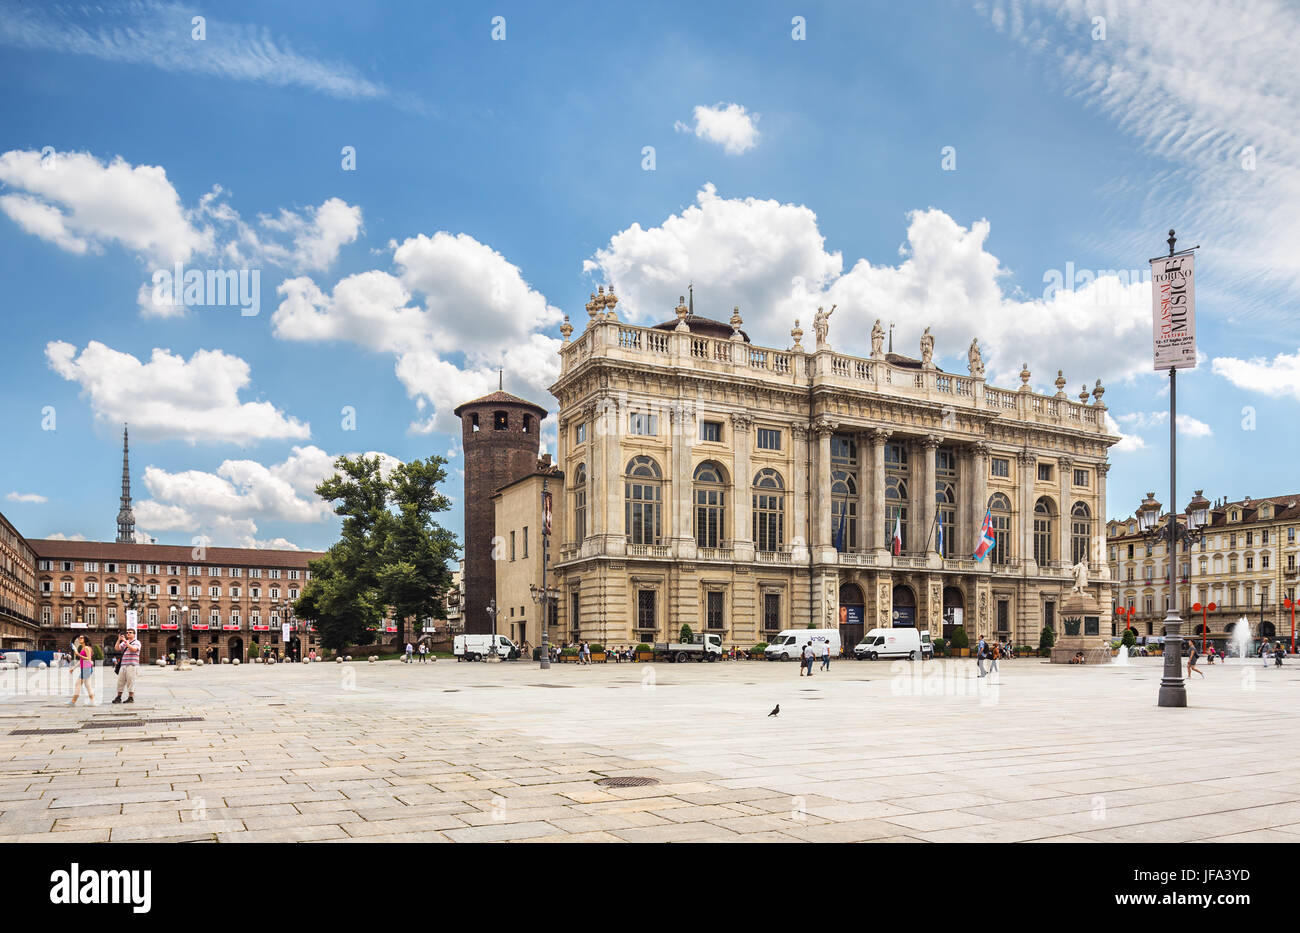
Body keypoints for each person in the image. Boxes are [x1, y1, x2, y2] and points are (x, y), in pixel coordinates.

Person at [112, 628, 141, 704]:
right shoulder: (125, 642)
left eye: (130, 632)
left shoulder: (137, 642)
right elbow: (117, 648)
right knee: (120, 682)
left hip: (132, 665)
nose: (128, 633)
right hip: (123, 665)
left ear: (134, 634)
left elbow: (134, 649)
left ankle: (131, 697)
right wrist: (119, 640)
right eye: (127, 632)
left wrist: (125, 641)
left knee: (131, 682)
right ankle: (118, 697)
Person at [69, 635, 95, 706]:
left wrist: (78, 654)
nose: (79, 639)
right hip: (86, 668)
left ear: (85, 639)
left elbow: (88, 659)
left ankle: (73, 701)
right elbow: (81, 660)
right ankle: (92, 701)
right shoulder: (83, 648)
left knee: (77, 684)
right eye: (79, 638)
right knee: (88, 685)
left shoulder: (86, 648)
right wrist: (73, 668)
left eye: (81, 638)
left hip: (86, 668)